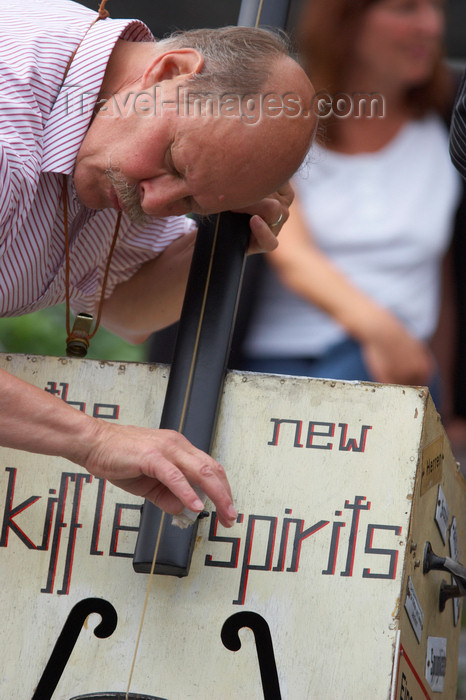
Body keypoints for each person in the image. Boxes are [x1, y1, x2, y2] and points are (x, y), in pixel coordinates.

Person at [0, 0, 317, 527]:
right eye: (173, 162)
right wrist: (94, 439)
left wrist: (227, 243)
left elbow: (125, 308)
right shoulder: (10, 125)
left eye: (189, 203)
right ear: (169, 72)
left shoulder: (117, 139)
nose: (152, 203)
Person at [235, 0, 461, 410]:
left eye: (437, 8)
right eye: (407, 8)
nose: (431, 25)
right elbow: (290, 250)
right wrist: (382, 333)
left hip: (406, 372)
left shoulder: (447, 124)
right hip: (280, 364)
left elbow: (442, 276)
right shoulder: (282, 116)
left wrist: (446, 405)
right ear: (344, 21)